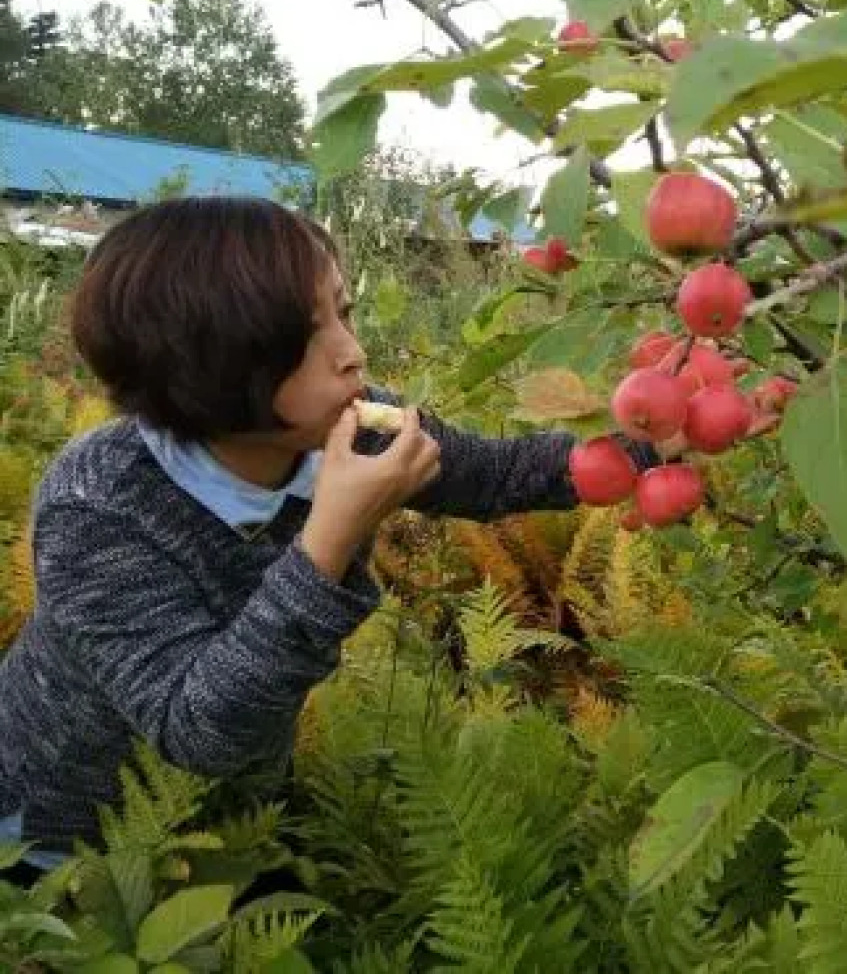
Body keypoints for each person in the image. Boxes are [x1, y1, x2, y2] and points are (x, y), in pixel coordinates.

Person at [0, 196, 655, 875]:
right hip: (52, 841)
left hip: (229, 827)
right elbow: (195, 729)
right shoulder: (98, 508)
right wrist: (328, 541)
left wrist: (659, 441)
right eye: (305, 337)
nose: (352, 354)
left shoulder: (357, 425)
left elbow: (495, 475)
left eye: (344, 312)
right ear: (213, 369)